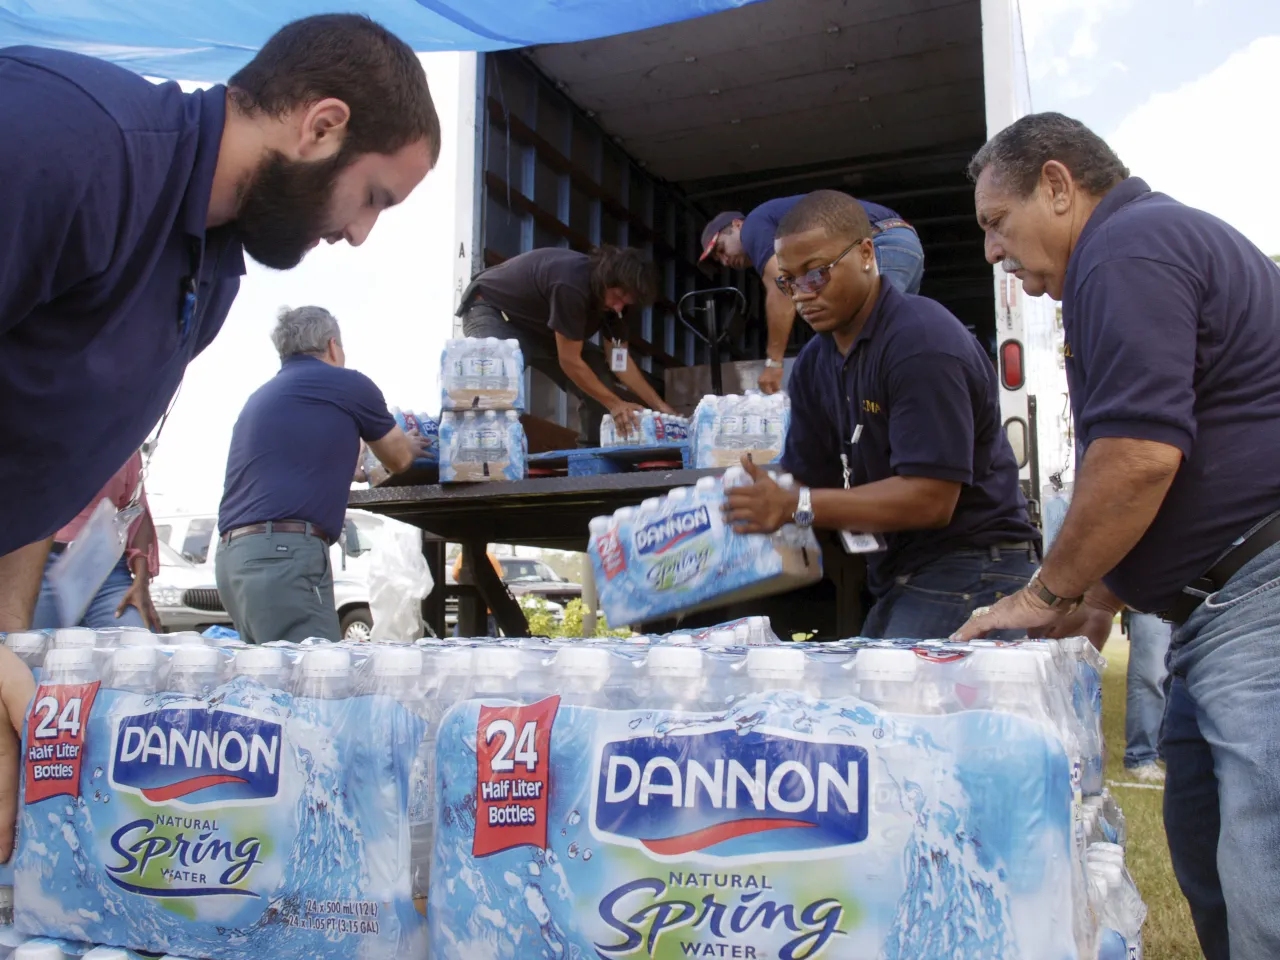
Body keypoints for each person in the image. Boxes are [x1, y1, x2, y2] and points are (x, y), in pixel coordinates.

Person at [956, 112, 1280, 960]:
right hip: (1220, 611)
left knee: (1266, 877)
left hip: (1262, 596)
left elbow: (1138, 455)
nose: (992, 251)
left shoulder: (1128, 248)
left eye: (997, 223)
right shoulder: (1127, 252)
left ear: (1059, 186)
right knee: (1209, 850)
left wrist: (1047, 591)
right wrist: (1100, 599)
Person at [0, 13, 442, 635]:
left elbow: (37, 456)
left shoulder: (209, 280)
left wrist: (11, 643)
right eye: (374, 196)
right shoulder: (70, 140)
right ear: (321, 128)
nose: (359, 234)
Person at [724, 190, 1039, 638]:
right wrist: (741, 510)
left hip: (974, 567)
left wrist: (797, 505)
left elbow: (931, 499)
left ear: (867, 253)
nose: (801, 296)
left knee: (890, 701)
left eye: (816, 275)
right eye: (787, 282)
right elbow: (805, 477)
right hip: (900, 572)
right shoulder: (816, 362)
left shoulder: (922, 344)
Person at [215, 306, 428, 644]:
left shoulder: (265, 396)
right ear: (332, 346)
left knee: (269, 683)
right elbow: (399, 459)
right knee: (313, 682)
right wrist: (413, 446)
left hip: (234, 559)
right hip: (283, 556)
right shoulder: (347, 384)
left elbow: (298, 463)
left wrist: (355, 469)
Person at [700, 194, 925, 395]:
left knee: (862, 338)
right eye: (718, 260)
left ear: (738, 225)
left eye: (721, 249)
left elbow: (781, 292)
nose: (725, 260)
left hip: (882, 243)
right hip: (900, 242)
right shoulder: (777, 226)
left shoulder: (752, 227)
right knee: (892, 337)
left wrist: (774, 363)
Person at [456, 246, 676, 444]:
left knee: (599, 375)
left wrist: (660, 406)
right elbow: (569, 361)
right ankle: (468, 454)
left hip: (541, 328)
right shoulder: (571, 284)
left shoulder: (615, 308)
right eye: (617, 297)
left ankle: (591, 460)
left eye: (625, 303)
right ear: (607, 279)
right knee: (493, 382)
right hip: (493, 310)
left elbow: (620, 363)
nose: (618, 306)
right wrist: (616, 404)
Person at [31, 452, 160, 631]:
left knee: (139, 644)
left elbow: (137, 509)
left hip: (107, 570)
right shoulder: (40, 431)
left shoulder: (126, 439)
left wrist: (142, 581)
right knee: (38, 650)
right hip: (40, 567)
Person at [1120, 611, 1171, 783]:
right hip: (1153, 601)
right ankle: (1140, 757)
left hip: (1194, 599)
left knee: (1180, 678)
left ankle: (1171, 753)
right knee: (1149, 679)